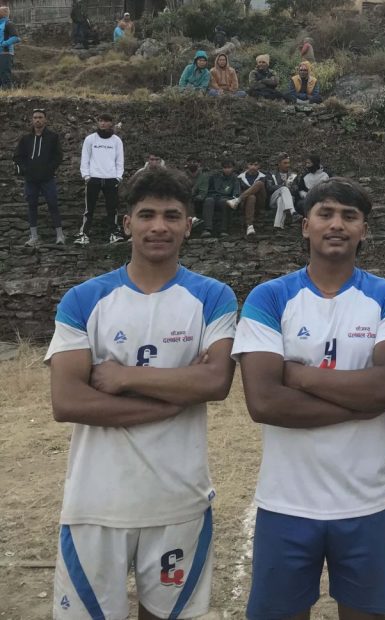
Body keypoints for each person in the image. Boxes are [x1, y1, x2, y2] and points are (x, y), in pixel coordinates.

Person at [46, 166, 237, 620]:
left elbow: (215, 382)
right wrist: (175, 397)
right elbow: (68, 402)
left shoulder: (214, 297)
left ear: (188, 225)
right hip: (96, 503)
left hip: (178, 501)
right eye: (147, 214)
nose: (159, 226)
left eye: (172, 216)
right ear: (126, 222)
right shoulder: (83, 299)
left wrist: (123, 377)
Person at [232, 177, 385, 620]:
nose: (337, 224)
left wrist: (296, 374)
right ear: (305, 226)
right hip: (286, 502)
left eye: (349, 216)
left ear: (364, 231)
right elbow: (264, 403)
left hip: (365, 501)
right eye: (326, 214)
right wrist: (365, 400)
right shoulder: (270, 297)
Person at [13, 108, 65, 246]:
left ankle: (60, 236)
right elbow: (18, 156)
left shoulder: (53, 137)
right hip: (31, 179)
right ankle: (34, 236)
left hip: (47, 178)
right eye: (35, 117)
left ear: (45, 119)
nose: (37, 120)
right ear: (32, 120)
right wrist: (26, 170)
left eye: (40, 117)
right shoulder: (26, 139)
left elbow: (58, 156)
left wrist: (48, 169)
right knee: (32, 205)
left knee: (53, 204)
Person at [75, 113, 125, 246]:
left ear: (111, 123)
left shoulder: (116, 141)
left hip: (111, 179)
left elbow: (119, 160)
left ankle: (114, 233)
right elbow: (85, 158)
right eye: (101, 121)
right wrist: (86, 176)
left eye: (106, 121)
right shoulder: (90, 139)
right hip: (94, 179)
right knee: (89, 209)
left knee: (112, 208)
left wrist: (118, 177)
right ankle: (83, 234)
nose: (103, 123)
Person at [201, 159, 239, 238]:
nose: (227, 169)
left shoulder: (235, 179)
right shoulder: (214, 177)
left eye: (229, 167)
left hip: (226, 197)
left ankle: (224, 230)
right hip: (214, 197)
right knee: (208, 200)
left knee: (225, 202)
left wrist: (233, 199)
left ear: (233, 168)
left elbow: (236, 192)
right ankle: (207, 229)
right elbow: (209, 189)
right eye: (225, 167)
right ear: (222, 168)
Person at [230, 160, 267, 238]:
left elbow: (267, 190)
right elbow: (237, 190)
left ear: (259, 166)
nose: (253, 167)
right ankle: (250, 226)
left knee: (259, 183)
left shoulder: (264, 177)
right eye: (251, 164)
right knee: (251, 197)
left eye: (255, 165)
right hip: (245, 203)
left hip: (260, 201)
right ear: (247, 165)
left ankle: (237, 200)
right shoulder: (240, 177)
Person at [264, 153, 301, 228]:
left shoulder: (293, 175)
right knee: (284, 189)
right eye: (285, 163)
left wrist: (289, 188)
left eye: (288, 163)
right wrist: (283, 186)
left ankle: (277, 226)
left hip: (289, 199)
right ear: (279, 164)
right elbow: (269, 188)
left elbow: (296, 190)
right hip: (273, 199)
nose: (288, 165)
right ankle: (293, 212)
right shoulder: (271, 174)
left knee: (281, 200)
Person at [0, 5, 20, 90]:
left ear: (3, 13)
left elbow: (16, 38)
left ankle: (7, 92)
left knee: (5, 74)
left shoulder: (9, 24)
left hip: (6, 53)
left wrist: (4, 43)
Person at [185, 158, 207, 230]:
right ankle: (193, 220)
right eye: (190, 162)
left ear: (199, 163)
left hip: (200, 196)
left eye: (194, 162)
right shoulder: (183, 175)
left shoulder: (203, 175)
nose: (192, 164)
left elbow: (203, 189)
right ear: (187, 163)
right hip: (188, 195)